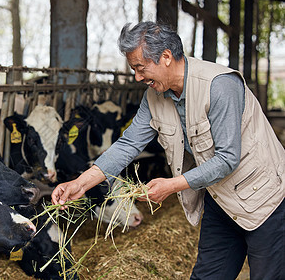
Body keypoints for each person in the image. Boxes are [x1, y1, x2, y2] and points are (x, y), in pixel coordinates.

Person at [51, 21, 284, 280]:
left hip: (265, 200)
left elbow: (228, 159)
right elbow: (129, 144)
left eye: (140, 68)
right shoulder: (154, 96)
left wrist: (171, 186)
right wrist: (81, 183)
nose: (138, 77)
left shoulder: (219, 86)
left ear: (165, 57)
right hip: (221, 201)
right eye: (134, 70)